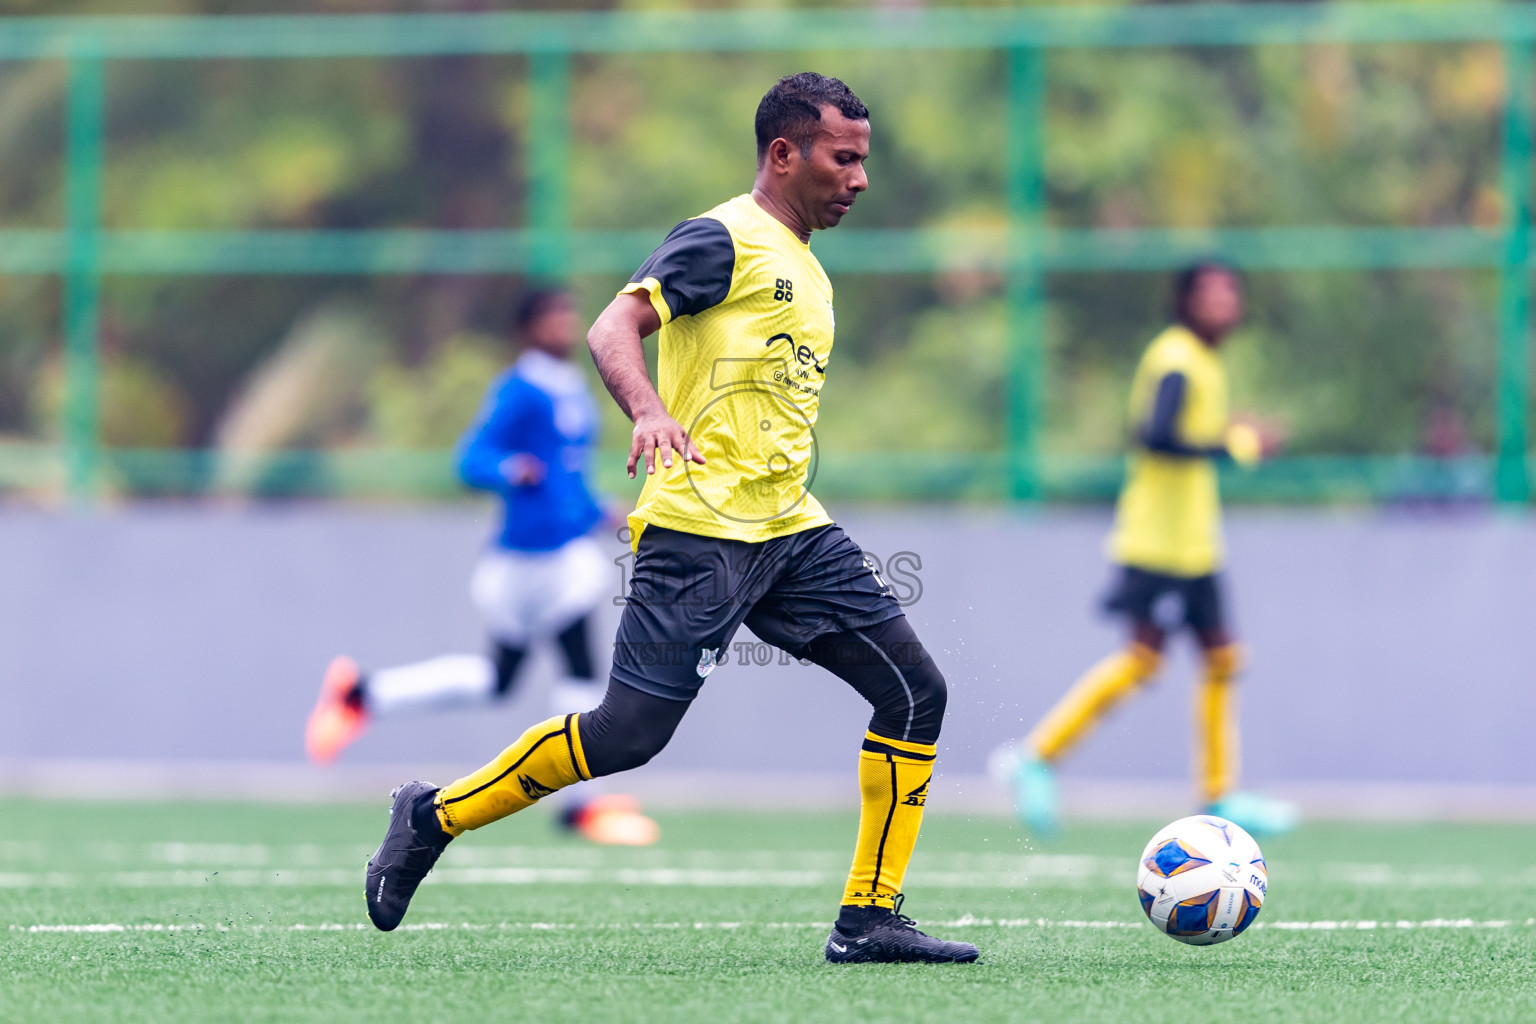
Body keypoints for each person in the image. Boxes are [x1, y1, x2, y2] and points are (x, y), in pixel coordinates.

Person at [361, 72, 978, 965]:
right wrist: (649, 410)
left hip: (793, 533)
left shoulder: (808, 267)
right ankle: (430, 815)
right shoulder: (722, 237)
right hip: (699, 533)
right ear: (784, 153)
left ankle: (869, 917)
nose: (860, 179)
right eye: (844, 159)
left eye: (863, 161)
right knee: (628, 735)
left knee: (916, 691)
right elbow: (613, 328)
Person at [304, 288, 659, 846]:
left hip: (559, 554)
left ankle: (363, 695)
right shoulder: (519, 388)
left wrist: (599, 511)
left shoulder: (569, 386)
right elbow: (471, 458)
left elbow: (566, 475)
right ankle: (581, 809)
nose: (565, 326)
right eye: (552, 318)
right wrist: (508, 469)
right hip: (531, 562)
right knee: (580, 672)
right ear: (526, 329)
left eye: (570, 315)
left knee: (501, 679)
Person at [993, 263, 1298, 838]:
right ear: (1182, 301)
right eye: (1209, 293)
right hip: (1157, 541)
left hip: (1195, 544)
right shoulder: (1177, 359)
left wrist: (1231, 442)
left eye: (1231, 292)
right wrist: (1237, 445)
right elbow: (1154, 437)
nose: (1223, 302)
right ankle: (1035, 758)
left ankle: (1219, 795)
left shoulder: (1204, 361)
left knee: (1222, 657)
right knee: (1142, 660)